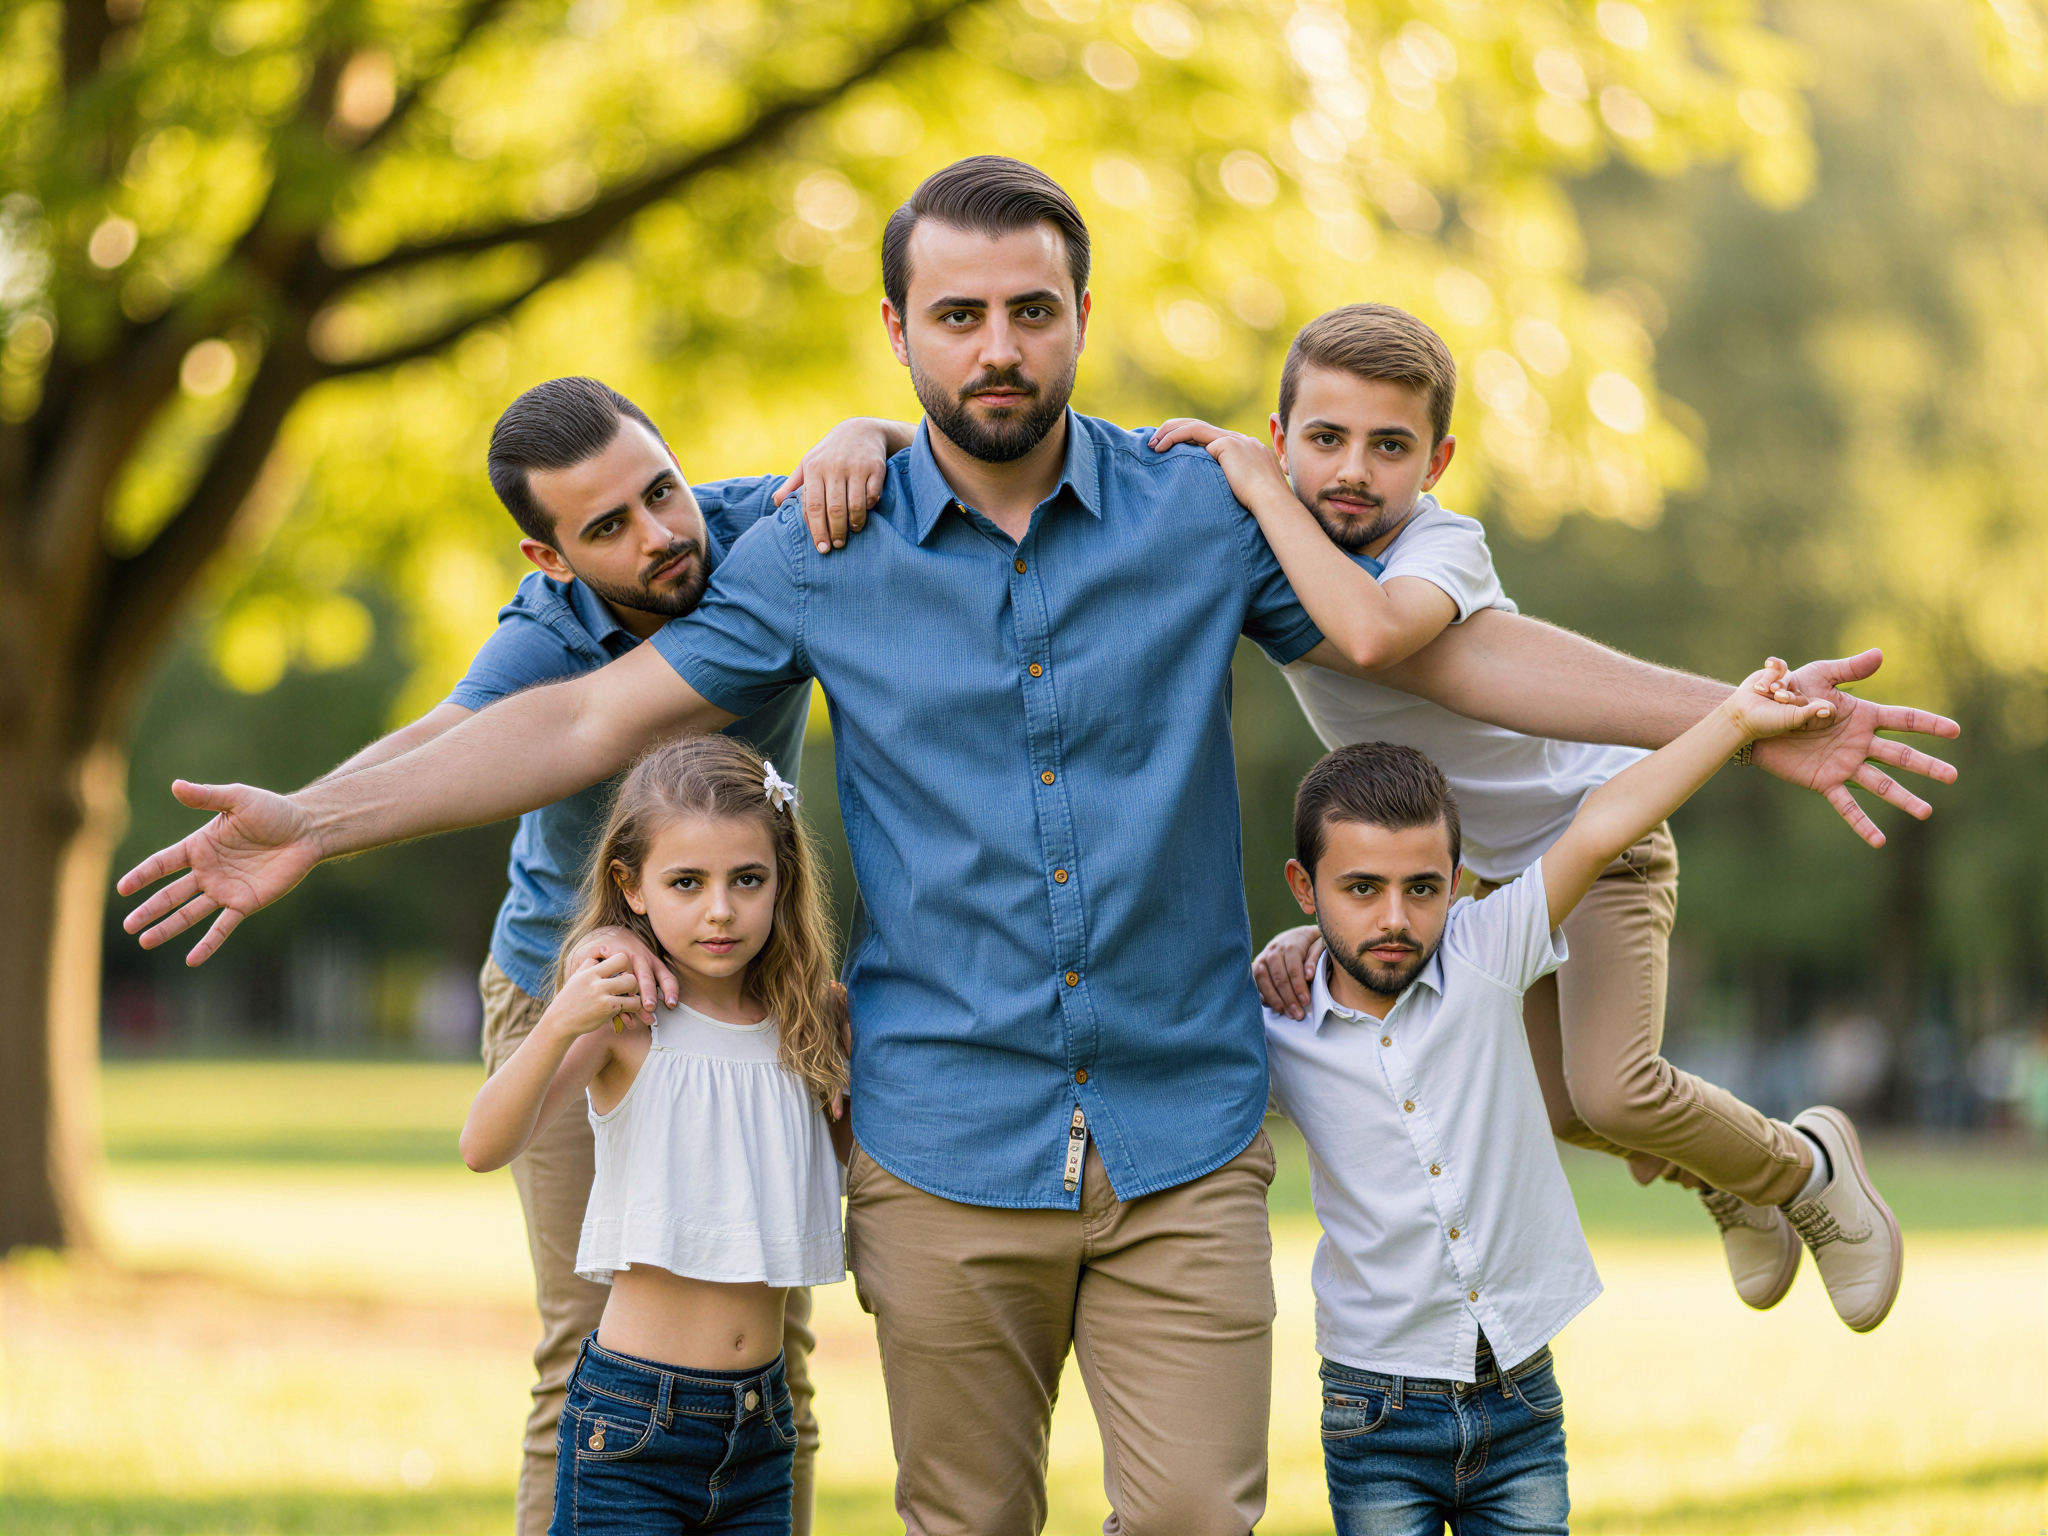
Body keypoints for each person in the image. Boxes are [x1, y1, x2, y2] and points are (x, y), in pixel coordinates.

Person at [119, 156, 1953, 1535]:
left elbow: (1450, 648)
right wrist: (319, 819)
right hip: (936, 1149)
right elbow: (585, 721)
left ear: (1079, 315)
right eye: (959, 314)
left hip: (1179, 1142)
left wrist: (1734, 707)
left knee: (1185, 1522)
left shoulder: (1199, 508)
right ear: (901, 331)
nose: (999, 347)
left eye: (1032, 310)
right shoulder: (807, 553)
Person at [1153, 302, 1931, 1327]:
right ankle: (1723, 1173)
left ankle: (1804, 1169)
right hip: (1489, 881)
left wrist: (1256, 489)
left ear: (1435, 462)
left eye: (1388, 446)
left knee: (1612, 1090)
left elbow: (1376, 633)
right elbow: (1046, 451)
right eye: (1322, 439)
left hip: (1600, 835)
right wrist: (867, 436)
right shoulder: (1269, 523)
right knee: (1552, 1107)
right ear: (1278, 436)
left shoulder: (1440, 546)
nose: (1351, 469)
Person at [310, 376, 888, 1536]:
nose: (663, 534)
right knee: (585, 1337)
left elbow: (885, 466)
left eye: (660, 491)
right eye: (609, 527)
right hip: (576, 992)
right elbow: (443, 741)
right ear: (551, 555)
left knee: (777, 1332)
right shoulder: (543, 637)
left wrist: (862, 430)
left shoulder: (752, 533)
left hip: (748, 984)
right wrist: (293, 823)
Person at [1271, 665, 1900, 1536]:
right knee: (1584, 1101)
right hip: (1371, 1408)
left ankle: (1781, 1176)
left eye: (1420, 889)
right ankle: (1732, 1182)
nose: (1393, 919)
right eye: (1360, 889)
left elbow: (1602, 823)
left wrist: (1734, 725)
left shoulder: (1488, 952)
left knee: (1611, 1087)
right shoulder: (1276, 1025)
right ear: (1307, 890)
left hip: (1519, 1396)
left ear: (1458, 885)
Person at [461, 736, 849, 1535]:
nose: (720, 909)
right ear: (630, 888)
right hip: (634, 1426)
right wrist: (561, 1017)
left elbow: (829, 1178)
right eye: (686, 882)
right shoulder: (625, 1024)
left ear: (783, 881)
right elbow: (482, 1143)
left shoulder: (812, 1022)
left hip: (762, 1425)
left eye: (748, 880)